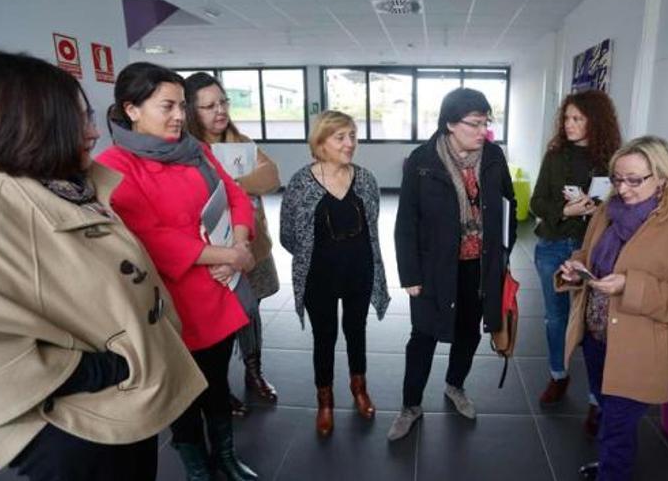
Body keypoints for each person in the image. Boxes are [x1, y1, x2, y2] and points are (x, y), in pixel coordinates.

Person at [0, 50, 205, 480]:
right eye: (78, 121)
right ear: (31, 124)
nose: (91, 132)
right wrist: (111, 367)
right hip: (73, 423)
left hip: (123, 400)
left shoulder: (64, 185)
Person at [97, 62, 258, 481]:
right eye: (167, 106)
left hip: (218, 290)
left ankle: (224, 455)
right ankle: (197, 468)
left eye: (181, 106)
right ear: (131, 109)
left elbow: (236, 196)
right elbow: (149, 237)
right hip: (169, 301)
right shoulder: (115, 165)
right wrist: (224, 254)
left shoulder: (196, 150)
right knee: (182, 393)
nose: (178, 116)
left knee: (218, 383)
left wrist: (239, 246)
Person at [555, 136, 668, 481]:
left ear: (663, 178)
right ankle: (612, 465)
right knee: (609, 413)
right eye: (616, 178)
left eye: (633, 180)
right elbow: (587, 254)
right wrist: (574, 267)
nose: (622, 189)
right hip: (597, 338)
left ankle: (613, 472)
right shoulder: (607, 213)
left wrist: (629, 285)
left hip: (640, 351)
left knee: (617, 426)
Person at [388, 88, 517, 441]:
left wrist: (504, 253)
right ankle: (410, 406)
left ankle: (455, 386)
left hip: (480, 265)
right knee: (423, 336)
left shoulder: (492, 157)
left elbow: (509, 203)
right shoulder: (423, 161)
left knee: (469, 332)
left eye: (486, 123)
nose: (484, 131)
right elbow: (406, 223)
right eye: (475, 124)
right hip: (435, 268)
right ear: (449, 124)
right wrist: (410, 275)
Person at [279, 110, 389, 437]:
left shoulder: (366, 179)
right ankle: (324, 401)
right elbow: (288, 234)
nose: (350, 143)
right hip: (319, 277)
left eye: (353, 136)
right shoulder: (301, 182)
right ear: (321, 142)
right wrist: (315, 256)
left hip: (360, 271)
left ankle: (359, 389)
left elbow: (372, 226)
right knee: (324, 337)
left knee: (357, 331)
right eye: (341, 137)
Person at [185, 72, 281, 415]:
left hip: (249, 244)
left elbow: (271, 176)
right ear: (191, 111)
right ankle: (218, 387)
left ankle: (254, 373)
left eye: (222, 102)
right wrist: (241, 187)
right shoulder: (186, 150)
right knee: (218, 323)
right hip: (211, 253)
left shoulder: (240, 141)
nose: (219, 111)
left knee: (251, 311)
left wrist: (228, 184)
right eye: (208, 106)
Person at [529, 90, 621, 429]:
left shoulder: (614, 160)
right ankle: (559, 374)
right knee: (555, 318)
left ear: (595, 121)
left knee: (594, 325)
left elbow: (625, 207)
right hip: (552, 245)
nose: (569, 124)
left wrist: (598, 208)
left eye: (577, 118)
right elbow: (537, 202)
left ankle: (597, 399)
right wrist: (565, 209)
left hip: (594, 249)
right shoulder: (555, 156)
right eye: (567, 118)